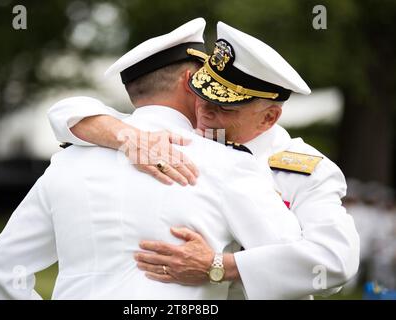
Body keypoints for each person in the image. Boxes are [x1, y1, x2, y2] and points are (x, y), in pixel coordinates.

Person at [0, 18, 303, 300]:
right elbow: (295, 266)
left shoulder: (67, 162)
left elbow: (2, 268)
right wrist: (219, 268)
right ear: (190, 84)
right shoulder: (229, 164)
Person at [47, 22, 360, 299]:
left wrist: (218, 266)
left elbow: (334, 259)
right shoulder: (178, 141)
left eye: (226, 108)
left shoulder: (303, 170)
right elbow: (67, 113)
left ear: (269, 117)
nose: (205, 112)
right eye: (203, 95)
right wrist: (124, 135)